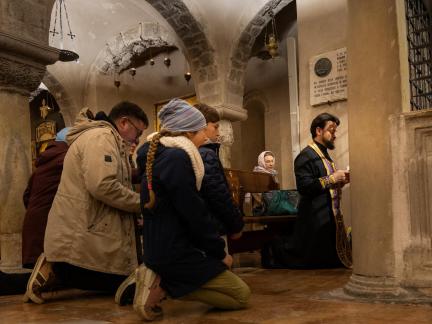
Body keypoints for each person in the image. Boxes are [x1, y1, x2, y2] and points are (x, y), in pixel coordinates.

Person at [134, 99, 250, 321]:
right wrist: (219, 252)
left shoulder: (159, 154)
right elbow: (194, 214)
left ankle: (151, 276)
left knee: (232, 288)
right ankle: (162, 285)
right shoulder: (177, 159)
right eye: (201, 132)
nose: (205, 137)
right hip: (176, 252)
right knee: (241, 296)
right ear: (187, 133)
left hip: (159, 247)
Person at [25, 101, 148, 304]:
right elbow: (103, 185)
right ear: (124, 122)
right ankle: (54, 269)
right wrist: (141, 203)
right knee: (124, 286)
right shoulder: (102, 137)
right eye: (138, 132)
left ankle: (54, 271)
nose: (138, 139)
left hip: (84, 226)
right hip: (85, 227)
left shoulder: (105, 138)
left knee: (115, 280)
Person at [289, 112, 351, 268]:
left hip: (328, 215)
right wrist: (332, 178)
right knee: (314, 262)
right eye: (331, 130)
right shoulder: (306, 156)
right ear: (318, 131)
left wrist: (340, 182)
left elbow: (327, 186)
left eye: (335, 131)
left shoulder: (325, 156)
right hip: (314, 217)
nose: (334, 135)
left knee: (333, 261)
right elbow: (304, 187)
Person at [194, 103, 243, 242]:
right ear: (202, 126)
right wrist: (236, 225)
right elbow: (219, 196)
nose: (218, 132)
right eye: (215, 127)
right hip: (213, 227)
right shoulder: (206, 154)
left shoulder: (197, 152)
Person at [22, 127, 70, 269]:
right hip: (46, 227)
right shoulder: (64, 158)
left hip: (34, 223)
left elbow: (26, 195)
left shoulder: (44, 161)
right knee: (44, 277)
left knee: (38, 273)